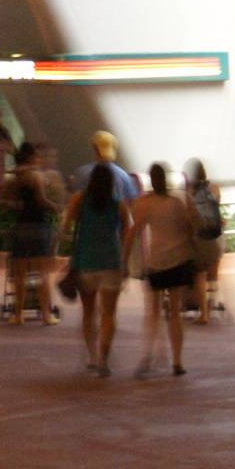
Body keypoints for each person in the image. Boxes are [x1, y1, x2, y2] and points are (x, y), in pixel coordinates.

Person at [60, 160, 133, 376]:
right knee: (109, 314)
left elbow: (65, 226)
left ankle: (91, 356)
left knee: (88, 312)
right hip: (111, 262)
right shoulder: (118, 203)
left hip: (85, 262)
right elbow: (128, 229)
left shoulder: (79, 199)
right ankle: (104, 359)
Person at [127, 163, 198, 377]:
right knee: (175, 312)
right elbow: (188, 229)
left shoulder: (144, 203)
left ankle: (148, 356)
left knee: (153, 312)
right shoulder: (177, 201)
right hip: (178, 259)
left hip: (156, 261)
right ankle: (177, 361)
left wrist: (124, 258)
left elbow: (135, 231)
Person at [3, 142, 61, 325]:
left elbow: (4, 199)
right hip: (38, 225)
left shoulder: (13, 176)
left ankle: (18, 314)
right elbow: (41, 199)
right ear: (30, 157)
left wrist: (18, 206)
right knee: (42, 273)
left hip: (20, 226)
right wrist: (57, 208)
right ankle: (46, 314)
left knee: (19, 274)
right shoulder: (36, 176)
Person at [184, 159, 224, 326]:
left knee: (199, 274)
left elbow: (189, 217)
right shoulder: (214, 189)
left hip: (200, 239)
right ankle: (214, 299)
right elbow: (217, 210)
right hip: (216, 239)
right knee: (213, 272)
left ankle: (203, 314)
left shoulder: (189, 192)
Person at [71, 131, 142, 203]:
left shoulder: (82, 173)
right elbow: (132, 201)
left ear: (95, 148)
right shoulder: (123, 176)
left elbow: (75, 199)